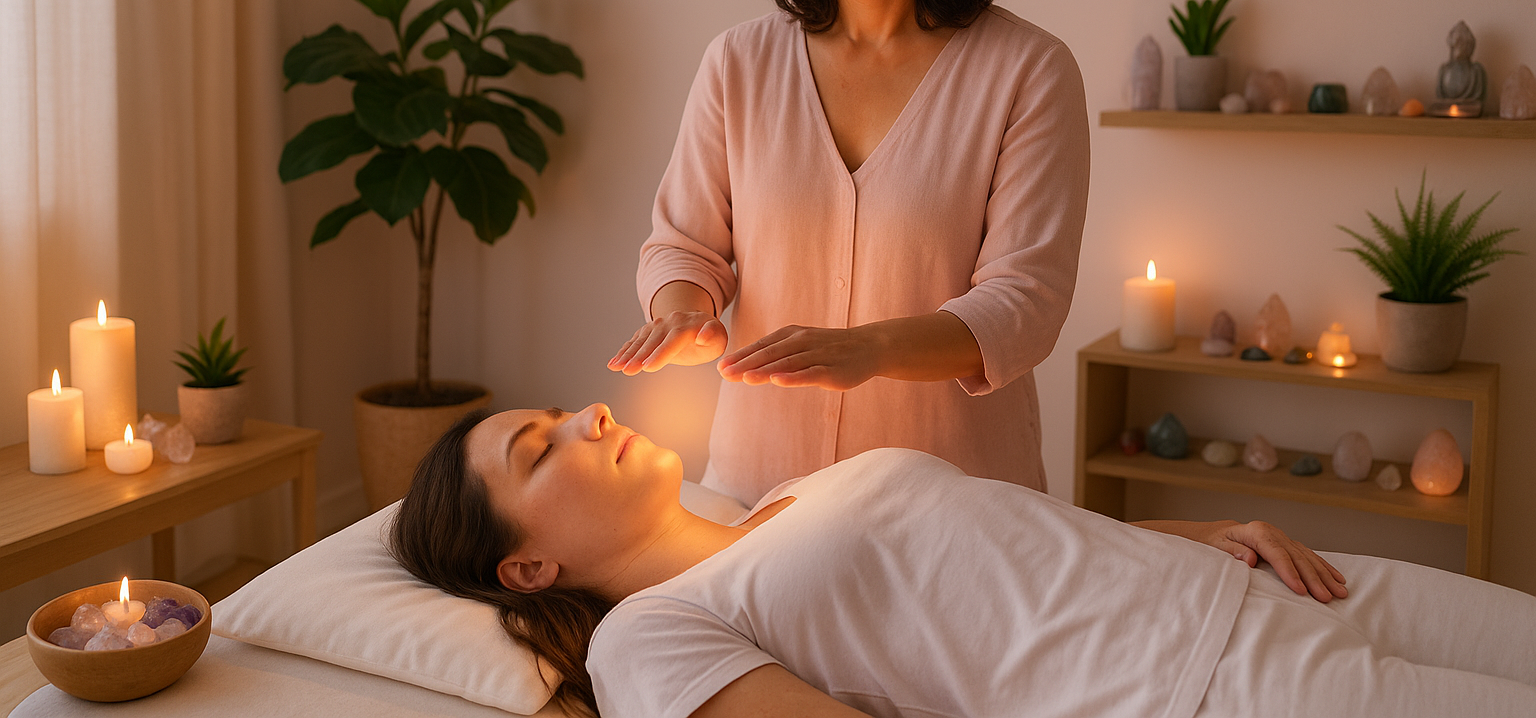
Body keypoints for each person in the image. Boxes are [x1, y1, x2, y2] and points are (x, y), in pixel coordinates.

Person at [608, 0, 1090, 507]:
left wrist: (870, 350)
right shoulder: (739, 63)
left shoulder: (1028, 72)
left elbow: (1023, 305)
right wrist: (684, 312)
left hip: (958, 515)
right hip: (762, 505)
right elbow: (684, 244)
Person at [390, 405, 1536, 718]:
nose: (586, 413)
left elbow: (1010, 544)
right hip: (1211, 690)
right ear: (527, 568)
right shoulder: (651, 638)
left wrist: (1202, 531)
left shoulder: (782, 499)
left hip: (1269, 582)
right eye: (538, 451)